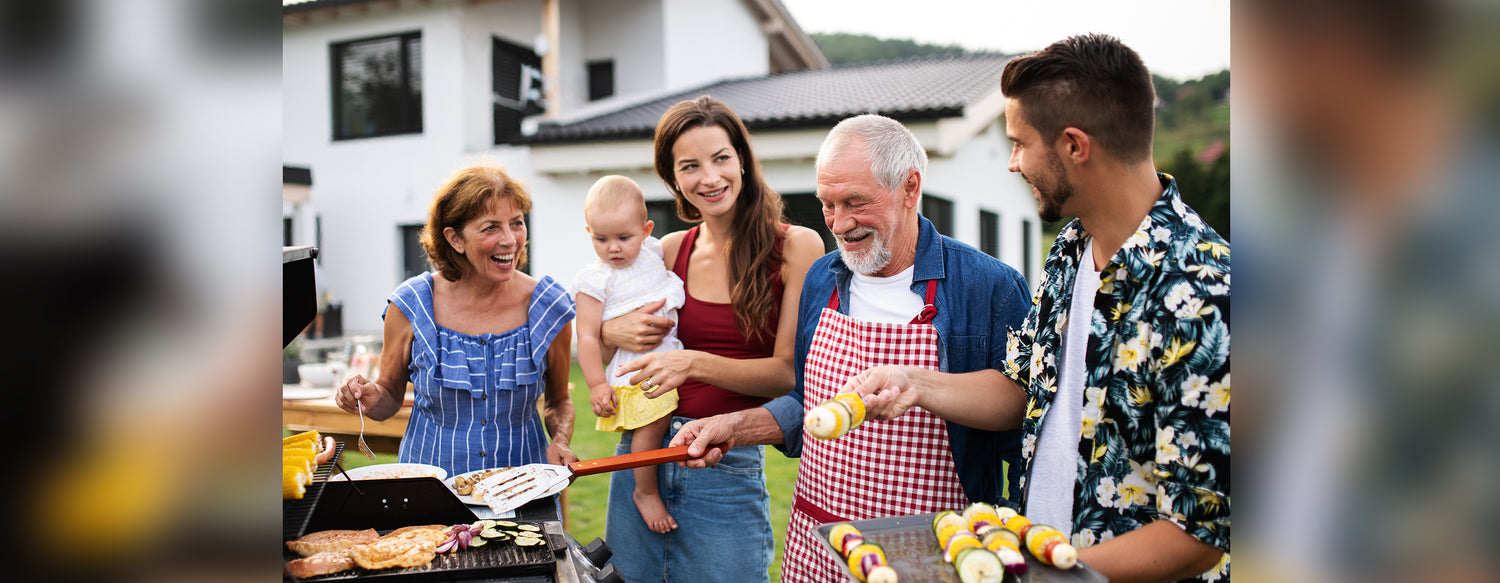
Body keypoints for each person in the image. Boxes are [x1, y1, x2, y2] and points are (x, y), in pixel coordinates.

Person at [774, 34, 1228, 582]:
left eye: (1019, 143)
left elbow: (1200, 531)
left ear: (1074, 146)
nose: (1012, 164)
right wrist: (914, 382)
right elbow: (1020, 390)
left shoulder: (1203, 291)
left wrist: (1044, 572)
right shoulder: (1070, 251)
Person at [667, 113, 1031, 583]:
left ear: (909, 186)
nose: (840, 224)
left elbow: (1018, 411)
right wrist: (736, 426)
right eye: (827, 205)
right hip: (823, 541)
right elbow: (809, 402)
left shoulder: (988, 286)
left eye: (855, 202)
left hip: (932, 548)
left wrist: (916, 383)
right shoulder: (823, 277)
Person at [596, 96, 824, 582]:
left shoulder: (797, 246)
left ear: (741, 158)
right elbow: (607, 328)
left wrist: (693, 363)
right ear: (673, 178)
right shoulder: (667, 250)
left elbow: (787, 373)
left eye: (721, 158)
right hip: (642, 450)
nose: (710, 177)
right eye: (690, 166)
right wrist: (611, 330)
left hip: (725, 459)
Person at [334, 163, 578, 479]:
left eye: (516, 223)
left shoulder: (549, 305)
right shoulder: (411, 304)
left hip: (523, 489)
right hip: (430, 492)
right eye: (491, 227)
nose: (510, 240)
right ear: (455, 239)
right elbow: (390, 397)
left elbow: (559, 400)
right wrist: (367, 397)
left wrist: (561, 438)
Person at [572, 175, 686, 534]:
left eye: (624, 237)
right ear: (589, 231)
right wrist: (595, 385)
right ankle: (644, 491)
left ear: (646, 230)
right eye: (601, 239)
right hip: (634, 367)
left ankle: (648, 486)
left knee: (661, 422)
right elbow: (587, 336)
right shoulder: (595, 280)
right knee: (651, 423)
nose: (613, 248)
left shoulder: (653, 252)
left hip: (669, 354)